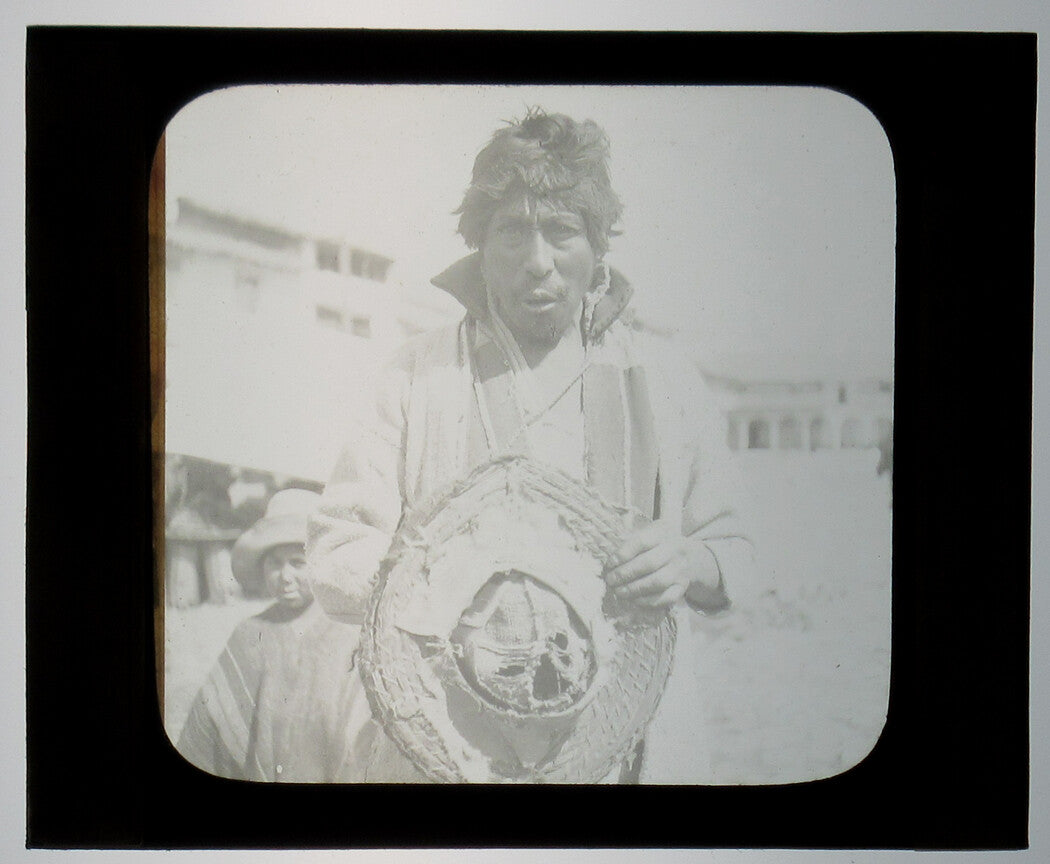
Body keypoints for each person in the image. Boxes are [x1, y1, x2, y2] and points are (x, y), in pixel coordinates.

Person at [308, 108, 754, 782]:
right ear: (479, 247)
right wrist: (444, 584)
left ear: (599, 247)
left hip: (631, 747)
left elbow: (737, 553)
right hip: (445, 746)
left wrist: (689, 560)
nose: (538, 262)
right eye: (513, 231)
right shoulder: (417, 375)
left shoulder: (664, 379)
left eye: (562, 231)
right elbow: (338, 549)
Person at [176, 488, 360, 782]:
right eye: (274, 563)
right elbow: (208, 731)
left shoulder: (348, 633)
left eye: (297, 562)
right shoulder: (250, 633)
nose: (284, 576)